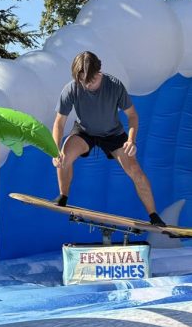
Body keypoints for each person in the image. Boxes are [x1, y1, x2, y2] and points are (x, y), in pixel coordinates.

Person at [51, 51, 165, 226]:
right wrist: (55, 149)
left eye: (91, 81)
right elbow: (59, 122)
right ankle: (63, 196)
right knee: (63, 156)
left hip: (113, 134)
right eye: (83, 81)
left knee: (135, 171)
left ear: (99, 72)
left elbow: (133, 116)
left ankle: (154, 215)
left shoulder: (114, 86)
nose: (87, 85)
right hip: (84, 132)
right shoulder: (71, 89)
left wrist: (131, 140)